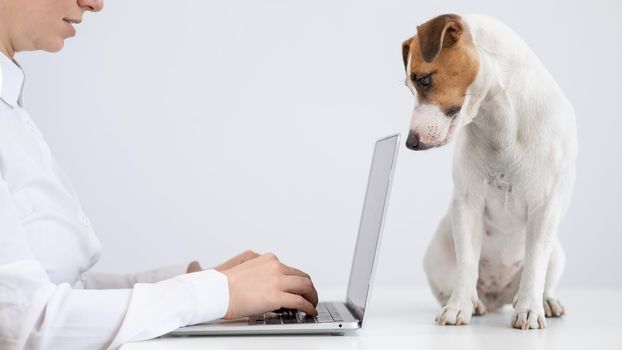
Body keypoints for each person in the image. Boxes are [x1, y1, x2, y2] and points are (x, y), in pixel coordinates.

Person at [0, 0, 319, 349]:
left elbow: (60, 292)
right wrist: (216, 293)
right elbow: (24, 324)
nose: (94, 3)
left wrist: (202, 281)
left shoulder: (12, 111)